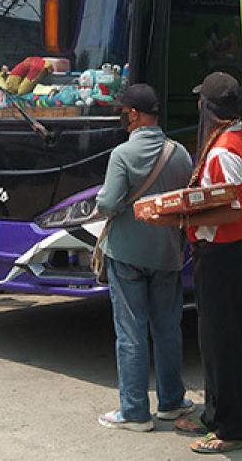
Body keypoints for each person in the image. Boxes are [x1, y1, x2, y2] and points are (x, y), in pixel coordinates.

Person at [161, 71, 242, 454]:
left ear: (210, 109)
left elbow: (230, 209)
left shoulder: (225, 150)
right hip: (217, 255)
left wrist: (185, 218)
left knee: (226, 344)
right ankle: (214, 414)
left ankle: (232, 428)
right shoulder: (227, 141)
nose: (198, 106)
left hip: (223, 257)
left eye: (202, 101)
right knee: (213, 340)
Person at [95, 83, 195, 433]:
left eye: (124, 111)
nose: (123, 117)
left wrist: (108, 201)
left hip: (127, 254)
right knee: (168, 328)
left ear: (134, 114)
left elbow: (107, 204)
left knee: (131, 331)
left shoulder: (122, 155)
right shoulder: (180, 153)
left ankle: (135, 412)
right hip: (167, 253)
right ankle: (171, 402)